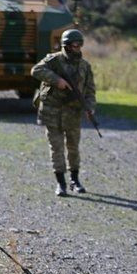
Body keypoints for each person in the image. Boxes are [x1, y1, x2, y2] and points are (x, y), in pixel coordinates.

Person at [31, 29, 96, 196]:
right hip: (52, 112)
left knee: (73, 147)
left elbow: (90, 91)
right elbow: (36, 70)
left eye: (80, 45)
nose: (78, 48)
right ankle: (61, 183)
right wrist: (57, 80)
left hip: (73, 113)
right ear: (66, 46)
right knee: (56, 148)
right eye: (75, 45)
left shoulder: (84, 66)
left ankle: (75, 179)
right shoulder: (53, 60)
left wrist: (90, 108)